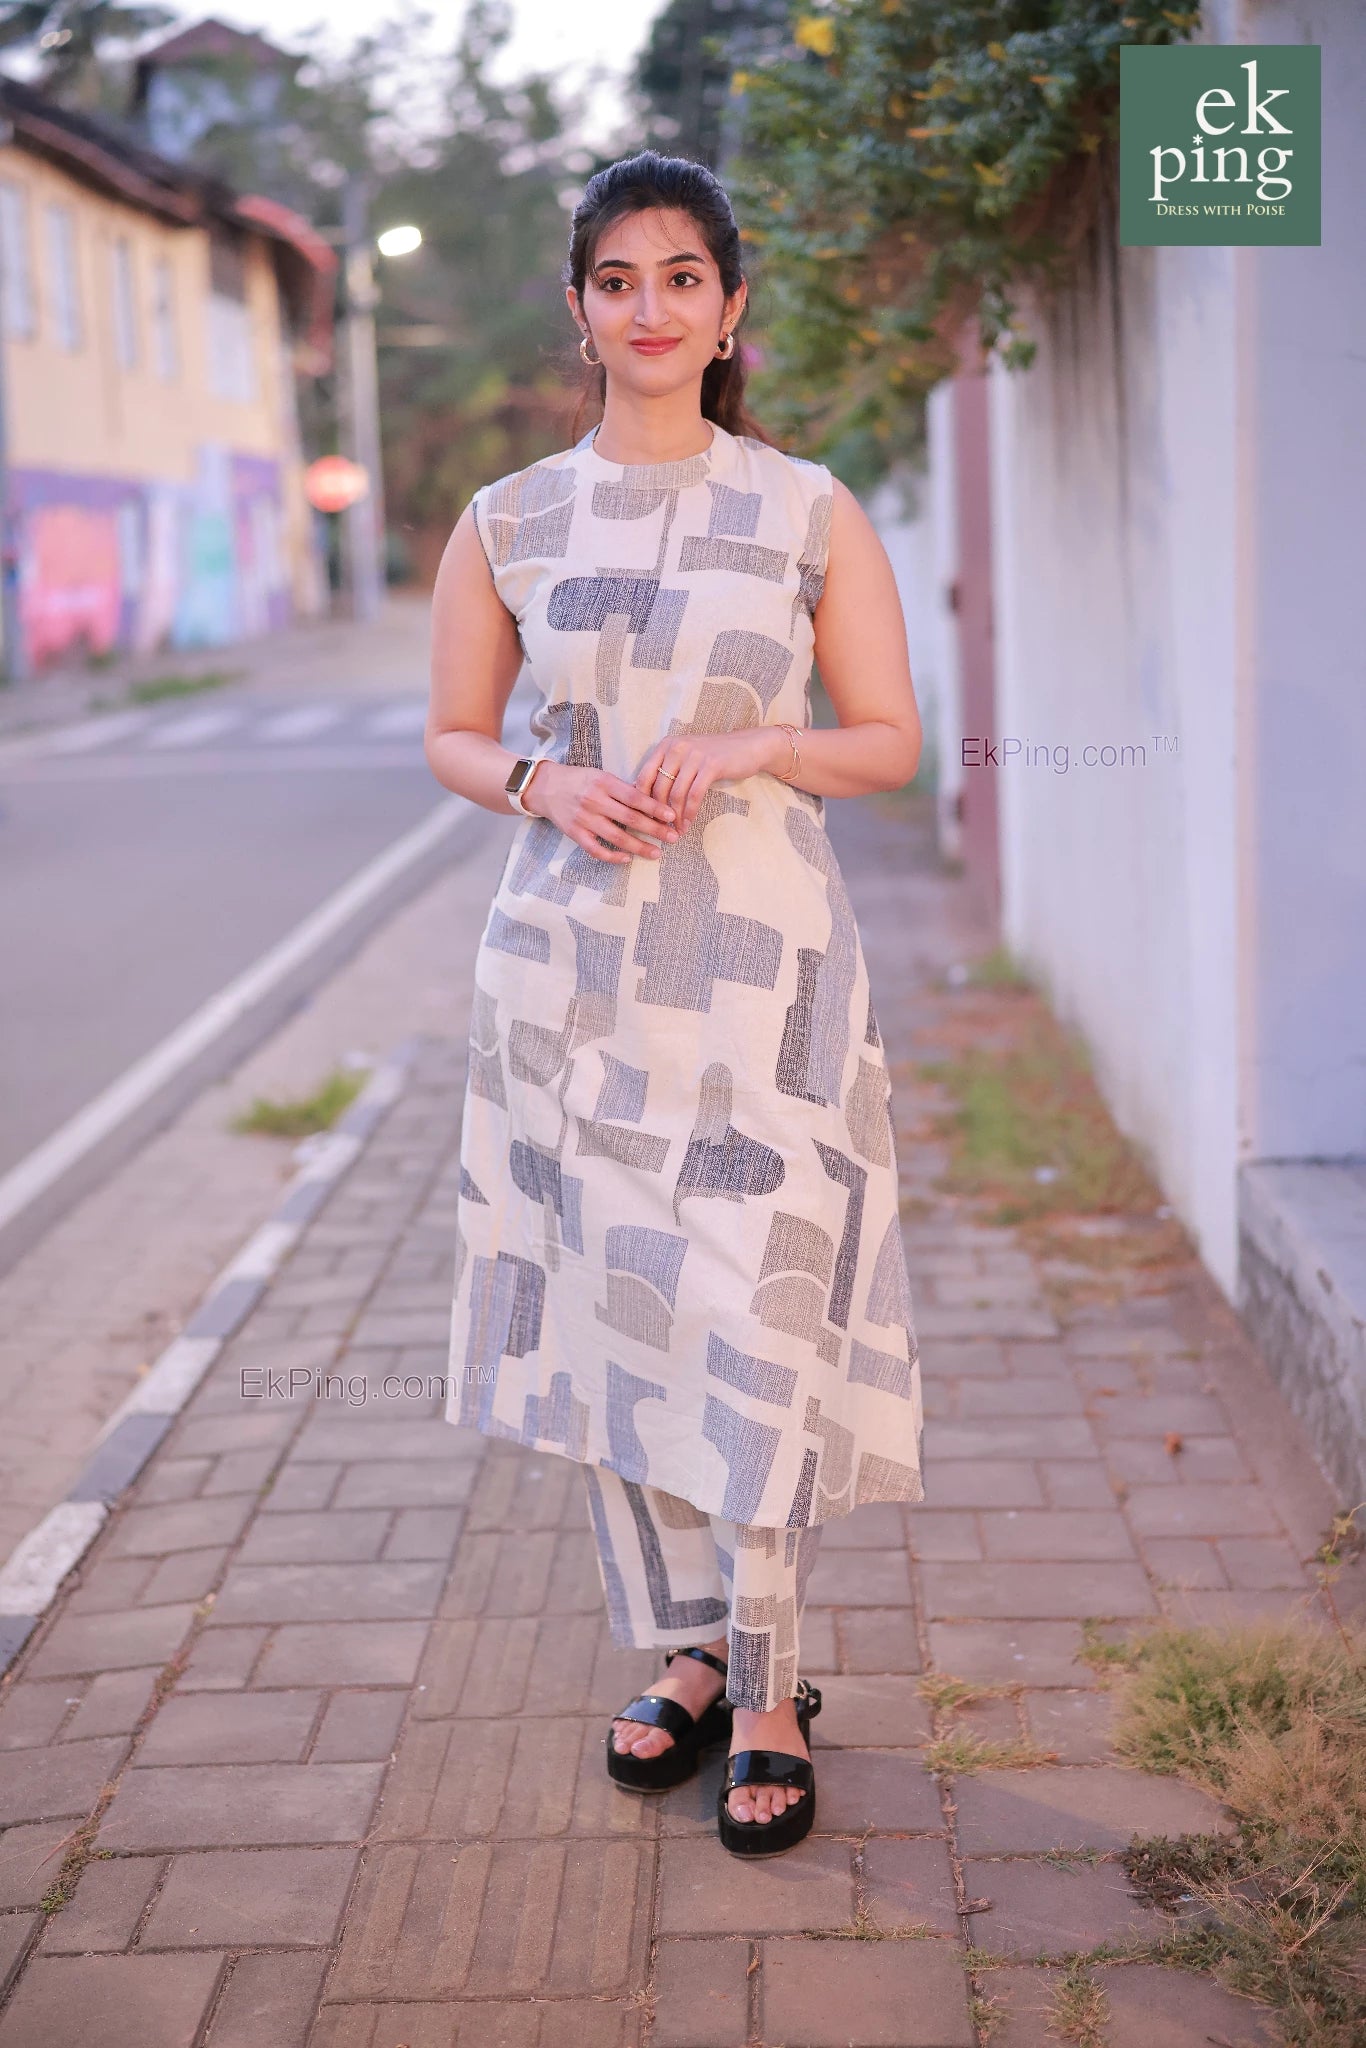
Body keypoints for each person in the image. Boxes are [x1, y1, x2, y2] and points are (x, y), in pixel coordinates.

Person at [425, 150, 925, 1858]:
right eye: (617, 280)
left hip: (763, 983)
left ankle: (776, 1683)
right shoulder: (508, 519)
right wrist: (537, 788)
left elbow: (886, 742)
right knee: (611, 1320)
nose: (650, 309)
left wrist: (750, 743)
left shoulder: (803, 510)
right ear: (578, 309)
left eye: (681, 279)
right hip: (568, 980)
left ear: (730, 309)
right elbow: (450, 734)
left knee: (755, 1322)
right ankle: (691, 1650)